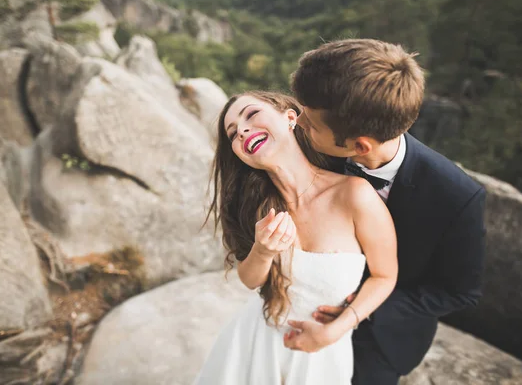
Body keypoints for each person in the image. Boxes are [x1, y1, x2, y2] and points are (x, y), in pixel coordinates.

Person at [289, 38, 487, 384]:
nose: (297, 120)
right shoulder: (312, 144)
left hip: (381, 338)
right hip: (302, 306)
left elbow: (459, 291)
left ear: (359, 146)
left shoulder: (456, 196)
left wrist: (357, 310)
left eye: (310, 121)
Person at [194, 91, 398, 385]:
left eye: (251, 115)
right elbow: (250, 280)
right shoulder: (255, 206)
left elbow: (385, 276)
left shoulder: (354, 194)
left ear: (290, 118)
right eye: (233, 133)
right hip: (253, 343)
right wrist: (262, 251)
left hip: (322, 355)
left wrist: (338, 328)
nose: (242, 130)